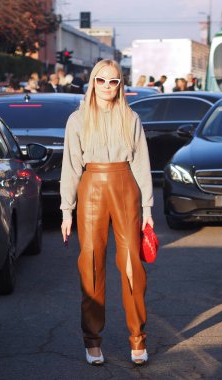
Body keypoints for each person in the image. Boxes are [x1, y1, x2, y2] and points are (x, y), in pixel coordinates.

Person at [60, 59, 154, 366]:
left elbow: (141, 165)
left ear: (120, 85)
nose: (107, 87)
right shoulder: (77, 119)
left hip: (126, 184)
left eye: (113, 81)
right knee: (91, 263)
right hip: (91, 187)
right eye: (101, 81)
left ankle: (137, 339)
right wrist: (66, 210)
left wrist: (148, 207)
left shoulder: (132, 118)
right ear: (92, 83)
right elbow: (71, 167)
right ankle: (92, 340)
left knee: (131, 266)